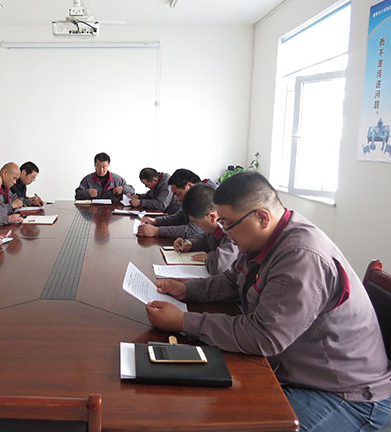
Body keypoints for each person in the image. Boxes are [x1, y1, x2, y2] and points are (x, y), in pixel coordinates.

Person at [146, 172, 391, 431]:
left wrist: (183, 321)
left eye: (228, 224)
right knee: (209, 404)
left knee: (233, 422)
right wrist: (186, 290)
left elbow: (264, 336)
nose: (224, 232)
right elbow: (232, 280)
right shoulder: (263, 238)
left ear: (262, 217)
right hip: (299, 371)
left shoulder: (301, 257)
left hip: (346, 394)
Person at [173, 184, 238, 274]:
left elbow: (219, 266)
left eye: (196, 222)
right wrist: (190, 243)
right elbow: (205, 238)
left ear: (212, 217)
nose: (196, 226)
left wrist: (209, 257)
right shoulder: (216, 225)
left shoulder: (234, 230)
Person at [137, 168, 216, 239]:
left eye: (177, 194)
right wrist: (155, 221)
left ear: (188, 186)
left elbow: (193, 231)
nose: (178, 199)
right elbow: (179, 217)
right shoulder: (194, 195)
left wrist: (157, 231)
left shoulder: (205, 197)